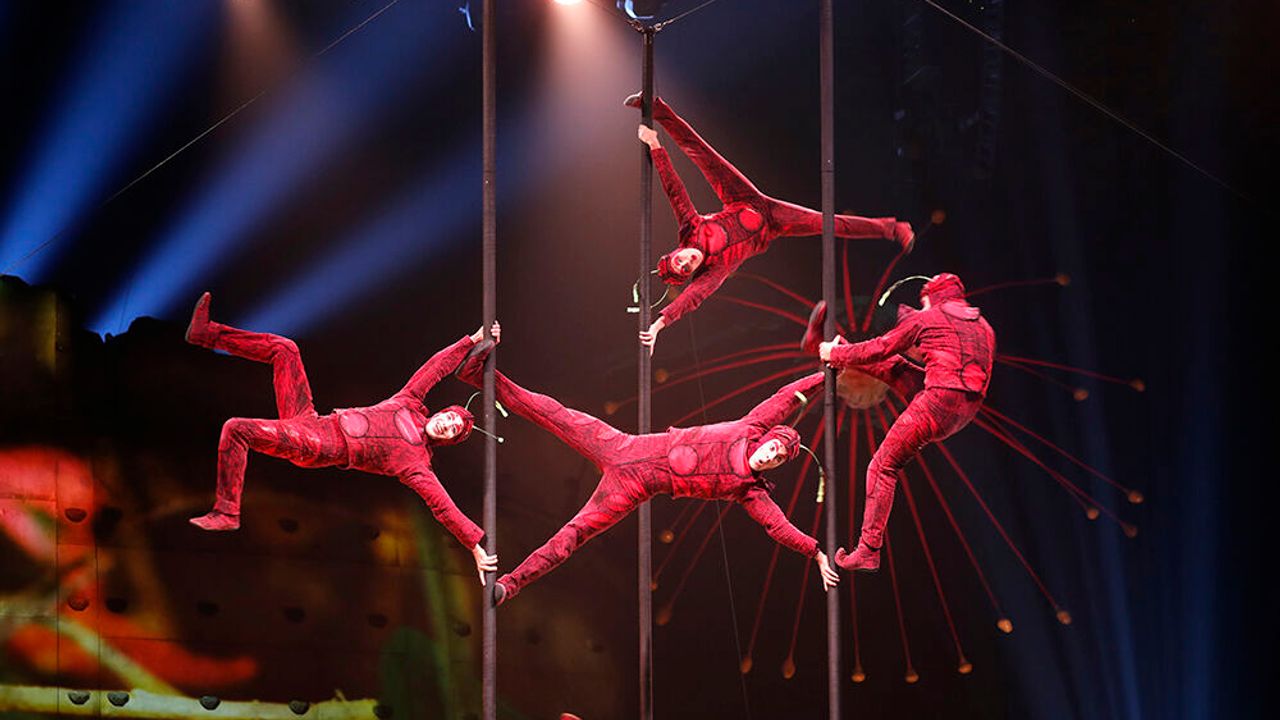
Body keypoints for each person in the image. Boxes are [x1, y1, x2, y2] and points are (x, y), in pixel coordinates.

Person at [455, 337, 839, 604]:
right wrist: (826, 375)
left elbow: (778, 526)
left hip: (632, 487)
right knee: (553, 413)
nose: (770, 456)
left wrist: (815, 552)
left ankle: (509, 586)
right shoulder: (750, 427)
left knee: (573, 535)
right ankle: (480, 375)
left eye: (777, 459)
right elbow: (787, 399)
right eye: (773, 448)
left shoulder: (750, 490)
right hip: (621, 445)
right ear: (766, 439)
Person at [184, 292, 498, 584]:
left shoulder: (416, 463)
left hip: (316, 445)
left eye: (453, 429)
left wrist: (474, 546)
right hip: (313, 422)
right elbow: (435, 367)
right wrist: (471, 340)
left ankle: (226, 512)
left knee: (237, 428)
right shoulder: (409, 403)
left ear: (448, 439)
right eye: (450, 417)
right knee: (285, 349)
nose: (447, 424)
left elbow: (444, 507)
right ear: (441, 412)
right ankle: (205, 333)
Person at [629, 94, 915, 352]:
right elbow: (691, 298)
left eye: (679, 259)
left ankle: (657, 108)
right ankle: (892, 228)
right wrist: (659, 325)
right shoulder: (713, 271)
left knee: (703, 154)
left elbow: (674, 190)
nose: (686, 262)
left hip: (743, 199)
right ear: (691, 272)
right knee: (830, 224)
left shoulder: (691, 229)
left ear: (677, 250)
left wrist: (655, 145)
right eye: (685, 269)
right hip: (773, 222)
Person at [815, 273, 995, 572]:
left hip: (938, 403)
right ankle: (840, 352)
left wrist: (835, 352)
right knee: (896, 368)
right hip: (965, 409)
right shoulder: (984, 326)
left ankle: (868, 550)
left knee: (882, 466)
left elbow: (882, 346)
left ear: (931, 297)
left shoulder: (928, 318)